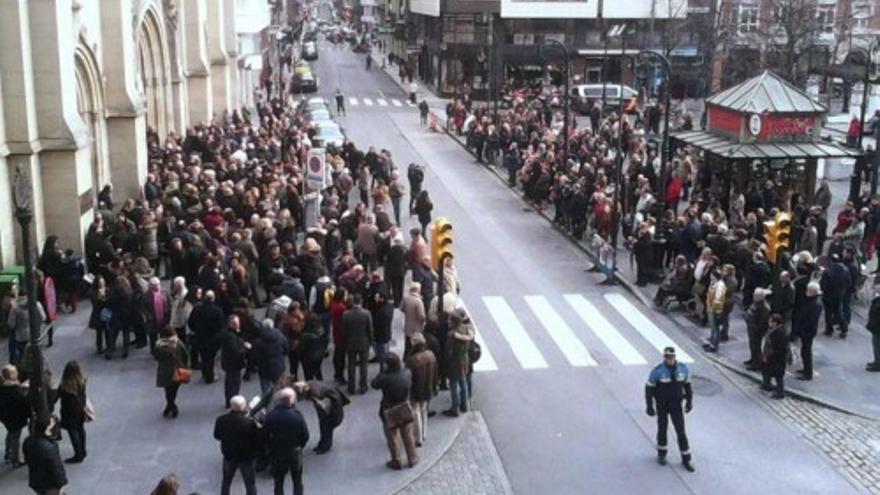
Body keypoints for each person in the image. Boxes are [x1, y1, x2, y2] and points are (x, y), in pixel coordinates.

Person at [645, 347, 694, 472]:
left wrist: (689, 402)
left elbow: (688, 387)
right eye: (667, 357)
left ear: (674, 357)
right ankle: (662, 453)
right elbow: (649, 389)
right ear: (664, 357)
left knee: (681, 431)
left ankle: (686, 458)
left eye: (671, 357)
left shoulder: (682, 369)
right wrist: (649, 406)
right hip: (662, 404)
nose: (669, 359)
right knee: (662, 428)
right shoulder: (658, 371)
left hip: (676, 405)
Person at [371, 353, 418, 470]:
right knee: (407, 434)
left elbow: (374, 384)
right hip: (404, 407)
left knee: (392, 437)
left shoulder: (384, 377)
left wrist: (383, 372)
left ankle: (396, 460)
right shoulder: (407, 373)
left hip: (389, 409)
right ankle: (412, 457)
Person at [265, 387, 309, 495]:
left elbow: (264, 436)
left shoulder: (270, 416)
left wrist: (270, 448)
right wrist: (299, 446)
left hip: (277, 452)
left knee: (278, 481)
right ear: (290, 400)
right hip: (294, 451)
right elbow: (305, 435)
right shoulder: (297, 416)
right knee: (297, 480)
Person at [213, 395, 259, 495]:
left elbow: (217, 435)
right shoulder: (249, 423)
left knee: (226, 482)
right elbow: (256, 439)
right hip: (245, 457)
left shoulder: (221, 420)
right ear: (243, 407)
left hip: (229, 456)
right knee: (250, 484)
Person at [295, 380, 349, 454]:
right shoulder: (309, 385)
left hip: (331, 408)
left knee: (327, 427)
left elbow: (322, 405)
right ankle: (322, 444)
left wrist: (321, 412)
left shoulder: (315, 392)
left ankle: (326, 446)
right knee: (324, 426)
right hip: (330, 404)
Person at [23, 415, 67, 495]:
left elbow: (27, 459)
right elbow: (56, 467)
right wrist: (61, 484)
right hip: (50, 484)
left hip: (36, 480)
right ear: (47, 427)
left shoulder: (28, 440)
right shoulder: (49, 447)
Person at [187, 290, 225, 383]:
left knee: (204, 357)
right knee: (210, 358)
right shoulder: (217, 311)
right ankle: (209, 376)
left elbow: (190, 322)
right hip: (213, 338)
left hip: (200, 337)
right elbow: (221, 326)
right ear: (213, 299)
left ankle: (205, 373)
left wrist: (196, 330)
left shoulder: (197, 309)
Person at [405, 333, 436, 446]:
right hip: (427, 386)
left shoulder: (412, 360)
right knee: (423, 410)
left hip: (416, 388)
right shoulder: (430, 355)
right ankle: (424, 433)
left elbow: (408, 377)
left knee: (415, 412)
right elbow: (435, 373)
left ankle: (418, 438)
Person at [152, 325, 190, 418]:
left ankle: (170, 406)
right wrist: (186, 366)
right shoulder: (178, 343)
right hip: (177, 369)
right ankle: (172, 406)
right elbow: (185, 354)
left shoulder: (158, 345)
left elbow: (156, 357)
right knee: (174, 389)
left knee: (168, 390)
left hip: (164, 370)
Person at [57, 361, 89, 463]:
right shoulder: (82, 381)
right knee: (80, 429)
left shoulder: (65, 385)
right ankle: (83, 450)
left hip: (69, 411)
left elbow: (57, 395)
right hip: (80, 408)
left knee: (73, 431)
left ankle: (78, 454)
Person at [444, 308, 474, 417]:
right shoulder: (466, 329)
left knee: (453, 384)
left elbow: (449, 351)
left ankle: (454, 408)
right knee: (463, 382)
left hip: (454, 362)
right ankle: (464, 404)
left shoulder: (452, 334)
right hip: (464, 359)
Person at [790, 281, 823, 381]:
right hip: (806, 331)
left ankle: (808, 373)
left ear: (814, 291)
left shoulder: (815, 304)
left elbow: (810, 320)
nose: (807, 291)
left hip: (808, 332)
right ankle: (806, 369)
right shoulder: (811, 301)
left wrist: (801, 329)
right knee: (804, 351)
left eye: (809, 290)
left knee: (806, 352)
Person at [343, 293, 373, 395]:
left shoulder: (346, 314)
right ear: (361, 301)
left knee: (351, 365)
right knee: (363, 366)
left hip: (351, 343)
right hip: (364, 343)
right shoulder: (366, 313)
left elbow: (344, 331)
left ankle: (351, 387)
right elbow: (370, 330)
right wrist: (370, 341)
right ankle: (363, 387)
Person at [0, 364, 29, 467]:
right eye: (15, 371)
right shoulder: (16, 390)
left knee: (10, 434)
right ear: (12, 375)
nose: (17, 372)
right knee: (16, 438)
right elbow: (23, 404)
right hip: (16, 418)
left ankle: (8, 453)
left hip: (7, 418)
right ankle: (16, 459)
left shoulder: (3, 388)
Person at [251, 318, 290, 394]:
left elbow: (254, 355)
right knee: (280, 386)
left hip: (264, 368)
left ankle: (268, 403)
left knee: (266, 389)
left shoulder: (259, 340)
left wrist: (255, 365)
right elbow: (286, 349)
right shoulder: (280, 336)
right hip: (278, 365)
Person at [220, 315, 250, 407]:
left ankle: (230, 400)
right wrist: (245, 348)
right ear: (230, 324)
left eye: (238, 323)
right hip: (233, 363)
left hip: (230, 362)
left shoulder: (230, 334)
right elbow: (235, 351)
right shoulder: (230, 337)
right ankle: (233, 401)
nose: (238, 326)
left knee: (230, 381)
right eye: (235, 324)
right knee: (233, 383)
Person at [743, 288, 771, 371]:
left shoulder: (765, 308)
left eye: (757, 295)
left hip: (757, 330)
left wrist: (756, 330)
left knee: (756, 347)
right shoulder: (756, 303)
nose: (754, 296)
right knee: (752, 345)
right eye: (754, 295)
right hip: (751, 328)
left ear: (762, 297)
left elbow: (762, 322)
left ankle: (756, 364)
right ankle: (752, 359)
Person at [762, 314, 789, 398]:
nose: (769, 323)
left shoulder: (781, 333)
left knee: (778, 375)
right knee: (766, 370)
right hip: (770, 355)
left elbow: (781, 348)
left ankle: (780, 392)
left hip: (777, 358)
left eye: (771, 321)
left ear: (775, 323)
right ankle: (767, 385)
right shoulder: (772, 329)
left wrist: (771, 354)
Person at [142, 277, 171, 352]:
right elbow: (143, 307)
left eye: (157, 284)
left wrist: (169, 312)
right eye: (154, 285)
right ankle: (154, 350)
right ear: (150, 286)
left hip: (164, 318)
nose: (156, 286)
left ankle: (163, 350)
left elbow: (169, 302)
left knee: (163, 335)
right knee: (153, 336)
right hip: (152, 319)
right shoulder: (146, 295)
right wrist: (148, 315)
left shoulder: (164, 292)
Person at [401, 283, 426, 356]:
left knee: (407, 345)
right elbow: (421, 316)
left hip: (408, 326)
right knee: (415, 346)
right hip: (417, 328)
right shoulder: (418, 301)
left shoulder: (406, 298)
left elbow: (402, 309)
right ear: (418, 290)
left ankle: (405, 358)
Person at [866, 282, 880, 372]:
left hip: (878, 327)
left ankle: (878, 364)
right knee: (876, 345)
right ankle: (876, 361)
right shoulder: (877, 299)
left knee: (877, 345)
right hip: (876, 327)